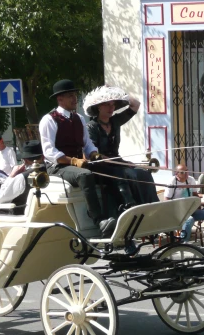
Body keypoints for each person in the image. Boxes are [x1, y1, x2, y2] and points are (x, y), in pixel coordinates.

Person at [39, 79, 116, 238]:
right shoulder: (49, 120)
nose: (75, 99)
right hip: (57, 167)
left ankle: (117, 213)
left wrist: (94, 153)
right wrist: (73, 161)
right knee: (85, 175)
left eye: (75, 95)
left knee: (110, 169)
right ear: (60, 99)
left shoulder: (79, 119)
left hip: (77, 163)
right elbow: (49, 152)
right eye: (70, 96)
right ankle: (99, 220)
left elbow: (87, 144)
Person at [84, 85, 159, 206]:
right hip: (100, 165)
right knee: (129, 174)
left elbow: (136, 105)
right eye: (107, 104)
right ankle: (131, 205)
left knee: (144, 173)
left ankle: (153, 205)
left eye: (113, 104)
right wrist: (116, 162)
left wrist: (117, 92)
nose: (111, 108)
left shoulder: (115, 121)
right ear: (98, 106)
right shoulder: (91, 127)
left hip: (117, 162)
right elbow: (92, 153)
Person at [163, 164, 204, 243]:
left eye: (187, 171)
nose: (186, 173)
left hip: (191, 209)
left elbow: (195, 195)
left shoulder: (191, 180)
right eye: (183, 172)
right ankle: (183, 242)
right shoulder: (172, 182)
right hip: (178, 212)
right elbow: (166, 199)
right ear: (177, 174)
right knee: (189, 220)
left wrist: (199, 206)